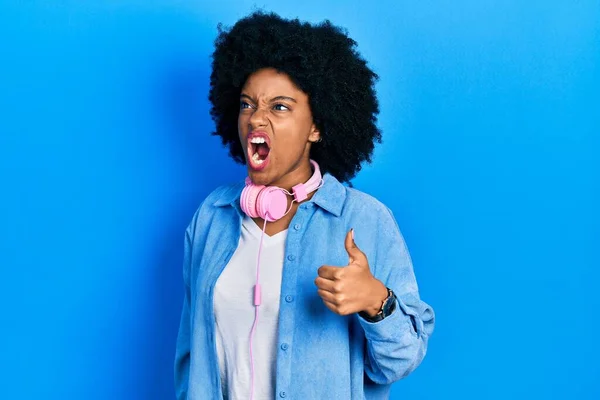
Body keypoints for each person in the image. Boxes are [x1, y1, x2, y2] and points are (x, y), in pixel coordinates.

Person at [174, 11, 435, 400]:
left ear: (316, 127)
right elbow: (189, 359)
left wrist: (375, 302)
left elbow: (400, 361)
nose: (256, 118)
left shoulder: (365, 220)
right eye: (247, 104)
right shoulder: (212, 217)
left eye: (279, 107)